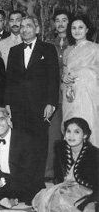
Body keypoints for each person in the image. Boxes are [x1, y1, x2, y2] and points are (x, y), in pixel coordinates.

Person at [5, 15, 59, 188]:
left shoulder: (48, 49)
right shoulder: (14, 51)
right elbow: (9, 80)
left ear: (37, 29)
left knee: (39, 143)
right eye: (21, 26)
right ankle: (21, 182)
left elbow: (54, 78)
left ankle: (37, 183)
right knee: (20, 144)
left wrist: (51, 102)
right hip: (18, 106)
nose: (24, 29)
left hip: (40, 106)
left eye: (28, 26)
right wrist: (7, 104)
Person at [33, 118, 99, 212]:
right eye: (68, 131)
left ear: (85, 135)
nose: (71, 136)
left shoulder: (93, 154)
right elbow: (59, 176)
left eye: (77, 132)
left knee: (60, 203)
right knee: (42, 197)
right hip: (67, 188)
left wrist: (93, 202)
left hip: (88, 191)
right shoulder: (61, 148)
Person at [61, 15, 99, 147]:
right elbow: (65, 73)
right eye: (73, 28)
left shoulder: (95, 49)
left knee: (87, 128)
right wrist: (64, 77)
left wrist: (82, 73)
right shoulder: (68, 51)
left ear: (87, 29)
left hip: (88, 98)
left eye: (81, 27)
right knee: (71, 130)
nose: (77, 31)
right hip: (70, 98)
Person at [44, 10, 71, 179]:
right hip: (54, 95)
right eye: (58, 21)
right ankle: (49, 172)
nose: (61, 24)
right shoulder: (47, 45)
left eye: (64, 20)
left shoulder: (76, 45)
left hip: (72, 96)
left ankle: (71, 172)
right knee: (53, 134)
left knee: (71, 133)